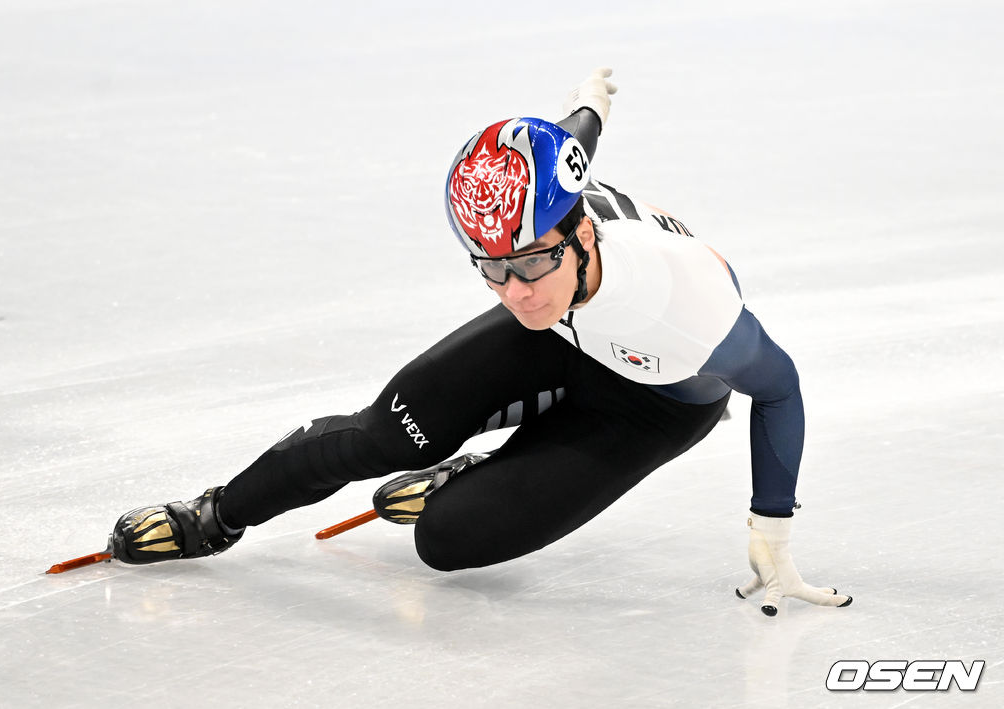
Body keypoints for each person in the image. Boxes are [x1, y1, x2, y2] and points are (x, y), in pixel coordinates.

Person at [110, 69, 851, 616]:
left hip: (654, 400)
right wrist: (588, 103)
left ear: (580, 232)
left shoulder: (682, 301)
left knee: (444, 540)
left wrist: (772, 523)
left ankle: (464, 479)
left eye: (530, 262)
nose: (516, 290)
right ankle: (216, 515)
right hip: (568, 338)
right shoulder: (539, 257)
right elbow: (574, 141)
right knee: (383, 436)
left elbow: (780, 386)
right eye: (491, 270)